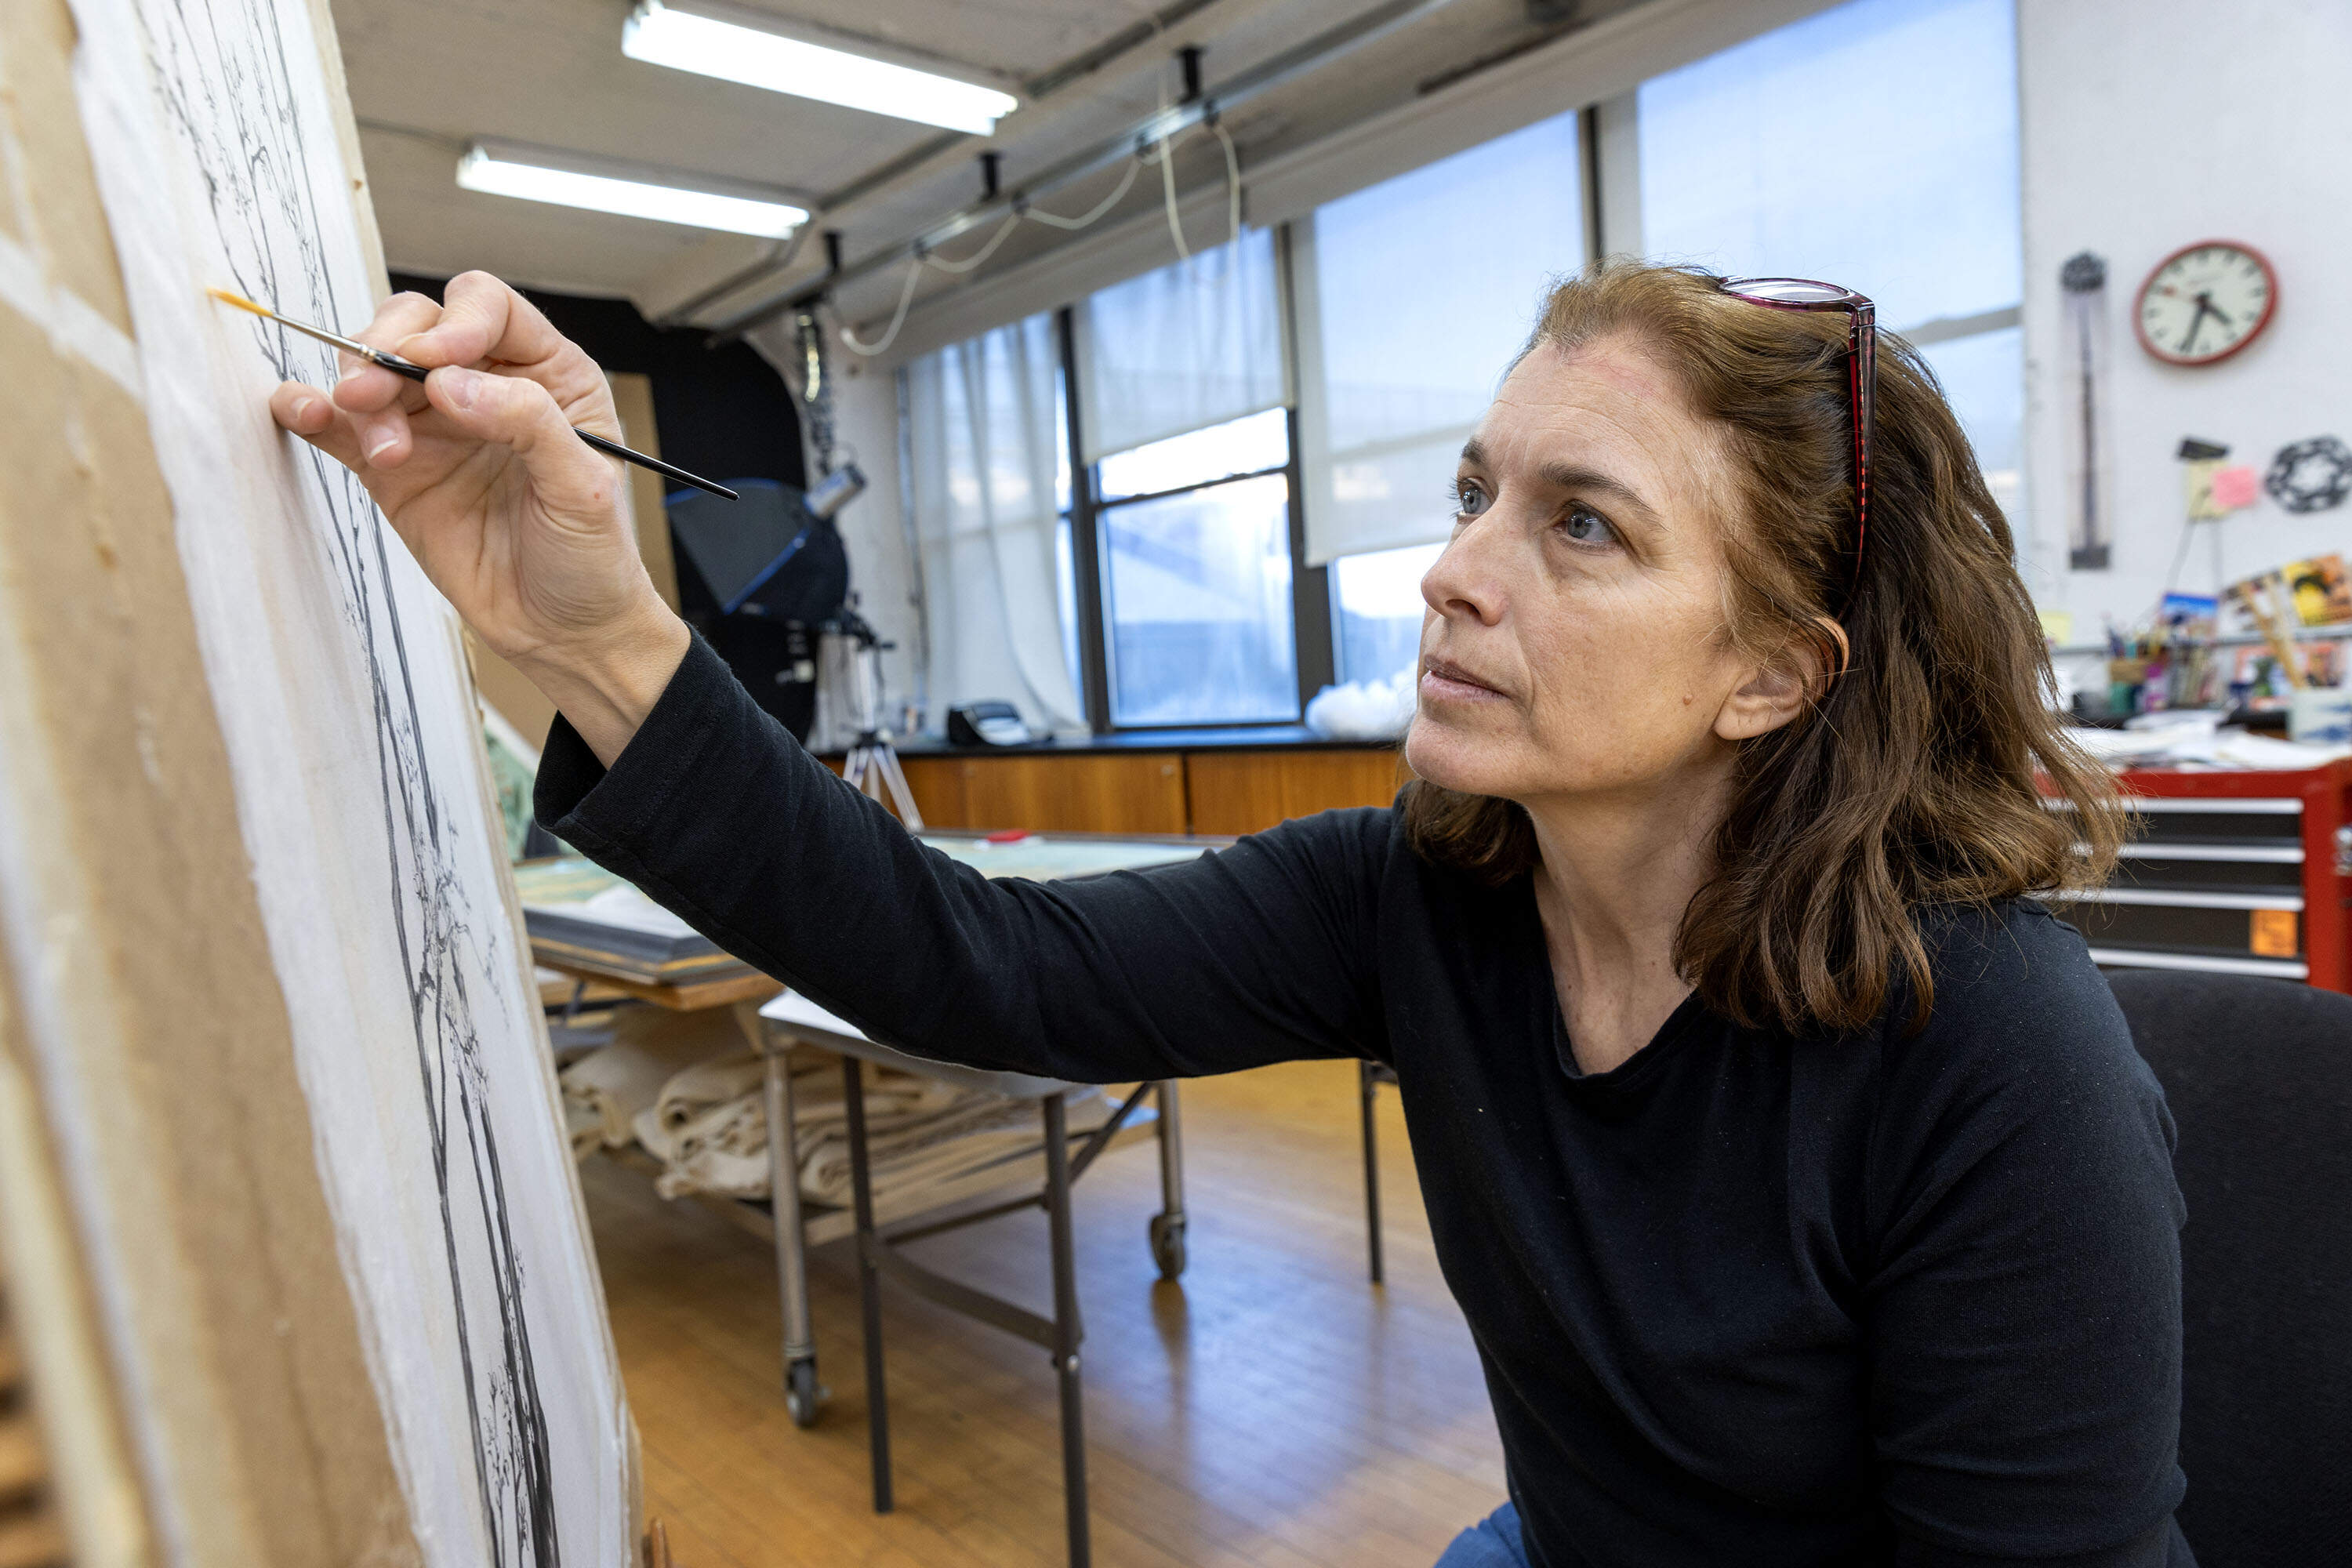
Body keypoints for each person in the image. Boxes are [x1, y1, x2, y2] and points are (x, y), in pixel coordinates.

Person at [271, 260, 2190, 1566]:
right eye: (1473, 491)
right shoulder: (1422, 893)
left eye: (1580, 524)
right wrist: (597, 631)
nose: (1449, 572)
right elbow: (974, 958)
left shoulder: (1985, 1044)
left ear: (1772, 674)